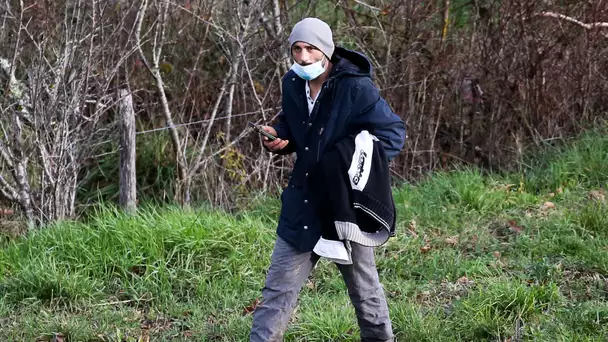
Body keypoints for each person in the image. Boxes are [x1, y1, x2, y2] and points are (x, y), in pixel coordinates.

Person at [249, 17, 406, 342]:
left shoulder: (355, 88)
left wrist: (350, 165)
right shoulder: (292, 83)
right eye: (297, 49)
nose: (304, 57)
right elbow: (296, 128)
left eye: (311, 48)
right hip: (302, 205)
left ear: (327, 49)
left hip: (344, 211)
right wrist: (279, 136)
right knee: (276, 293)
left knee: (366, 293)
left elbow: (393, 134)